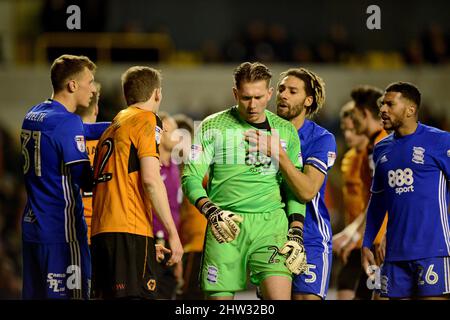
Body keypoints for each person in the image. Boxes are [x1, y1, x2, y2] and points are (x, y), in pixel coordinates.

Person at [182, 62, 306, 300]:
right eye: (246, 97)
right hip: (225, 226)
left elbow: (293, 187)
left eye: (259, 97)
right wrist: (211, 212)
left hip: (271, 226)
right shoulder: (212, 126)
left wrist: (296, 230)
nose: (252, 105)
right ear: (235, 93)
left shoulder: (285, 131)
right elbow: (191, 177)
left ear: (269, 94)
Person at [90, 66, 183, 299]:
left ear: (126, 96)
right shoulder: (147, 119)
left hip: (102, 232)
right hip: (128, 231)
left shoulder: (113, 126)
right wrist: (172, 233)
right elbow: (151, 180)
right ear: (157, 94)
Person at [245, 67, 336, 300]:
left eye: (292, 91)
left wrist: (278, 154)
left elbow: (306, 191)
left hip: (310, 237)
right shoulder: (257, 132)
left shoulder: (320, 138)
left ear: (308, 100)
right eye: (282, 89)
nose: (283, 94)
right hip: (268, 238)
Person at [362, 82, 450, 300]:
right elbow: (378, 201)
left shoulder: (440, 141)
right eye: (382, 104)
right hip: (393, 253)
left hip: (432, 251)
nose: (382, 109)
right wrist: (367, 242)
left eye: (390, 104)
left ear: (411, 110)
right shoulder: (381, 148)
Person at [21, 54, 97, 299]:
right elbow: (85, 179)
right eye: (90, 82)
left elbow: (75, 131)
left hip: (34, 228)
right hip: (62, 233)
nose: (93, 89)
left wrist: (115, 125)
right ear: (73, 85)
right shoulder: (68, 122)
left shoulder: (34, 114)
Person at [338, 85, 388, 299]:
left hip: (384, 241)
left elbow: (387, 195)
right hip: (374, 238)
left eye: (355, 116)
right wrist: (355, 231)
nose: (352, 123)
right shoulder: (369, 149)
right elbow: (375, 197)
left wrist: (363, 234)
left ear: (365, 114)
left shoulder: (382, 145)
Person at [333, 101, 369, 300]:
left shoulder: (376, 158)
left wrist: (355, 233)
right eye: (344, 130)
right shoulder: (347, 159)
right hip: (352, 242)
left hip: (371, 241)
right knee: (344, 290)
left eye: (352, 129)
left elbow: (377, 202)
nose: (347, 135)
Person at [173, 113, 207, 300]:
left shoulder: (198, 168)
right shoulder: (174, 170)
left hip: (198, 246)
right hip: (187, 245)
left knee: (188, 297)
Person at [151, 112, 183, 300]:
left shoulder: (174, 167)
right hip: (153, 243)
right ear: (160, 133)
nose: (178, 136)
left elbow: (175, 210)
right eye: (172, 130)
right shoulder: (151, 167)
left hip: (171, 243)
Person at [75, 82, 102, 246]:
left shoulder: (65, 140)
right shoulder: (109, 142)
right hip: (102, 230)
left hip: (71, 228)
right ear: (96, 109)